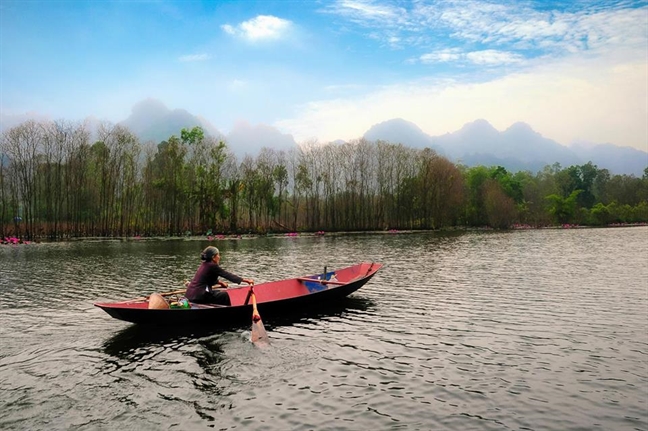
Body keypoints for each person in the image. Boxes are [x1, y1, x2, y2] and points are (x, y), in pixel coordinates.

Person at [185, 246, 254, 306]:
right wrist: (245, 280)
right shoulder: (212, 266)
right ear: (213, 257)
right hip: (199, 296)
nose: (219, 257)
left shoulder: (204, 264)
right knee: (224, 295)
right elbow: (227, 275)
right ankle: (228, 313)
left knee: (218, 292)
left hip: (190, 295)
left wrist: (221, 283)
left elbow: (209, 279)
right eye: (218, 255)